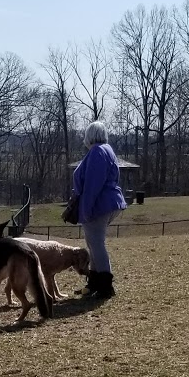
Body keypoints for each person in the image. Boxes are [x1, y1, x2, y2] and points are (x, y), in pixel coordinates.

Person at [72, 122, 127, 297]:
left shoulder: (97, 152)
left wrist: (86, 209)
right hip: (108, 203)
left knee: (96, 244)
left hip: (99, 205)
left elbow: (92, 185)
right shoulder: (106, 150)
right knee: (93, 244)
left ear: (89, 136)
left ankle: (105, 285)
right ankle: (95, 282)